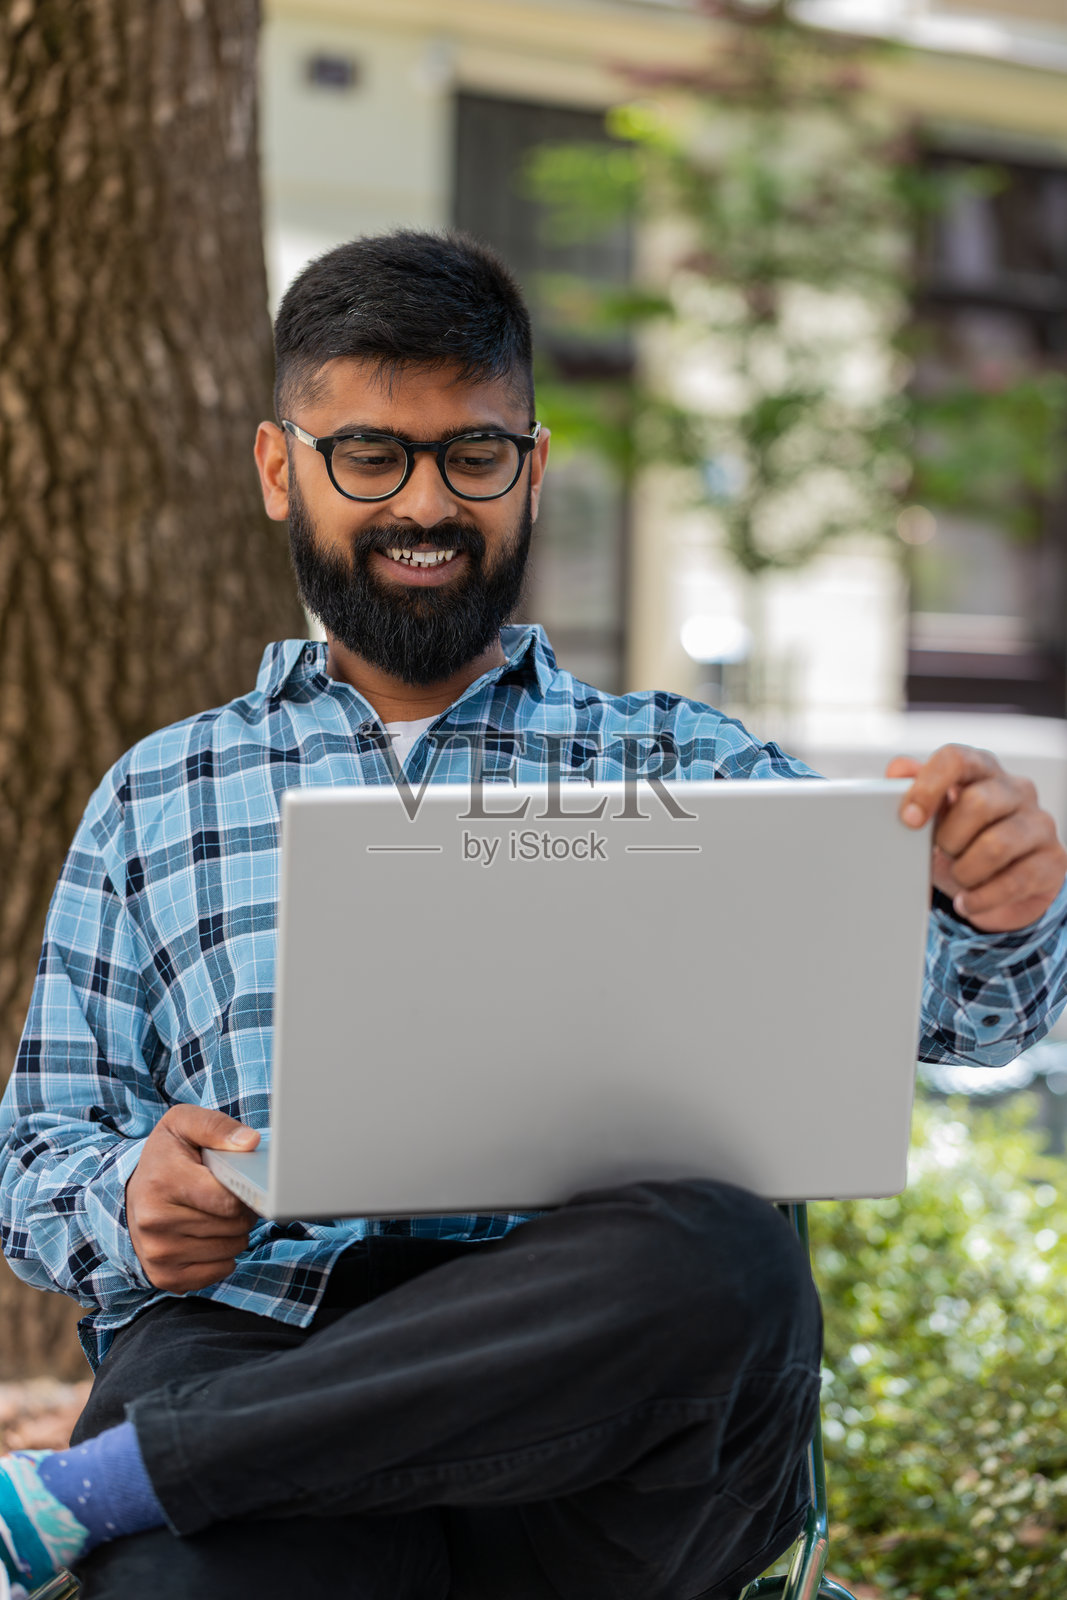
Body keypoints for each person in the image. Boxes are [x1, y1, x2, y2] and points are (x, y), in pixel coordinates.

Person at [1, 230, 1065, 1600]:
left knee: (726, 1254)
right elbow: (36, 1164)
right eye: (371, 455)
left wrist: (1005, 907)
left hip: (615, 1409)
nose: (425, 505)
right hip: (265, 1342)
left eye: (474, 456)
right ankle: (169, 1479)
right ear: (281, 469)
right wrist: (126, 1199)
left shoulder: (694, 765)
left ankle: (116, 1486)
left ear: (535, 469)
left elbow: (967, 1017)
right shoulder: (158, 791)